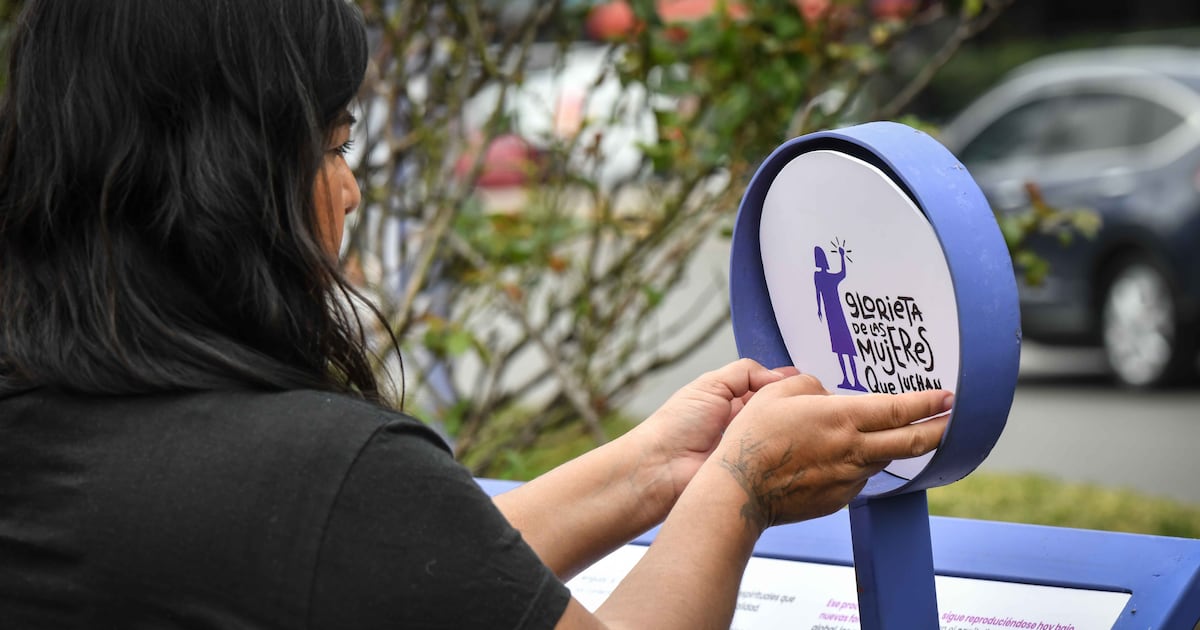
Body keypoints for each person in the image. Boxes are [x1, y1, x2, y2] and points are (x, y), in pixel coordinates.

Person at [0, 1, 950, 628]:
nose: (350, 189)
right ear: (225, 180)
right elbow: (359, 524)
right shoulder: (320, 469)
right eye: (332, 147)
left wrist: (653, 471)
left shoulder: (47, 416)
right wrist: (740, 490)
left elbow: (410, 572)